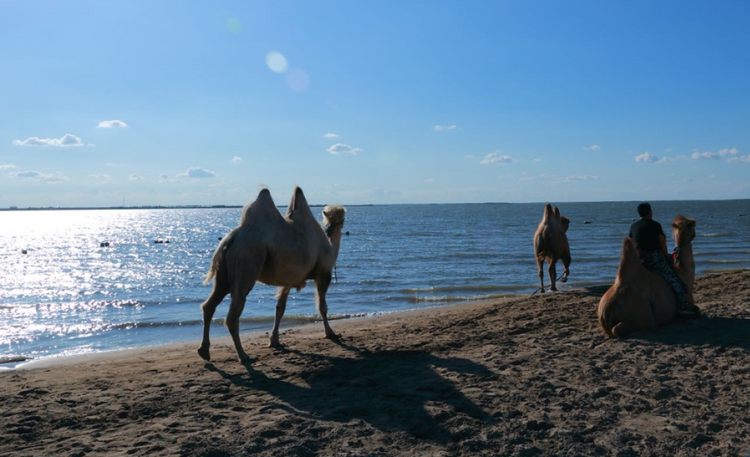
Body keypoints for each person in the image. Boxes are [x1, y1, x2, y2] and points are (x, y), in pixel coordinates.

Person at [629, 202, 691, 312]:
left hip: (639, 260)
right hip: (654, 259)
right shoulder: (655, 225)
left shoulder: (633, 226)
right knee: (674, 279)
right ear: (649, 212)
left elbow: (631, 243)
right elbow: (662, 243)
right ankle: (683, 307)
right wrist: (666, 255)